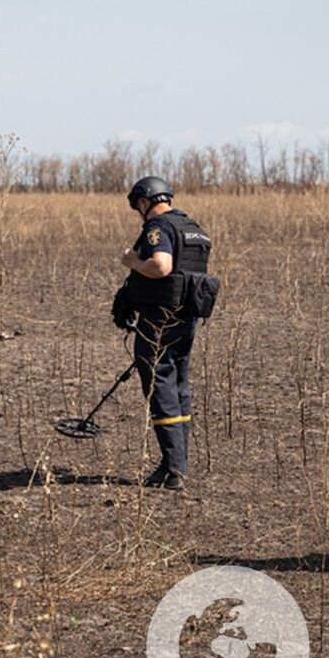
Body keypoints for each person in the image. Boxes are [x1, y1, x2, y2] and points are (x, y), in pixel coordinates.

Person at [118, 176, 214, 489]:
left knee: (160, 386)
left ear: (145, 201)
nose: (139, 212)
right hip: (186, 318)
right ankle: (177, 464)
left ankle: (173, 470)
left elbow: (161, 266)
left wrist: (133, 261)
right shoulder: (192, 228)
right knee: (178, 385)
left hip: (160, 319)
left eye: (138, 206)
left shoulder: (157, 228)